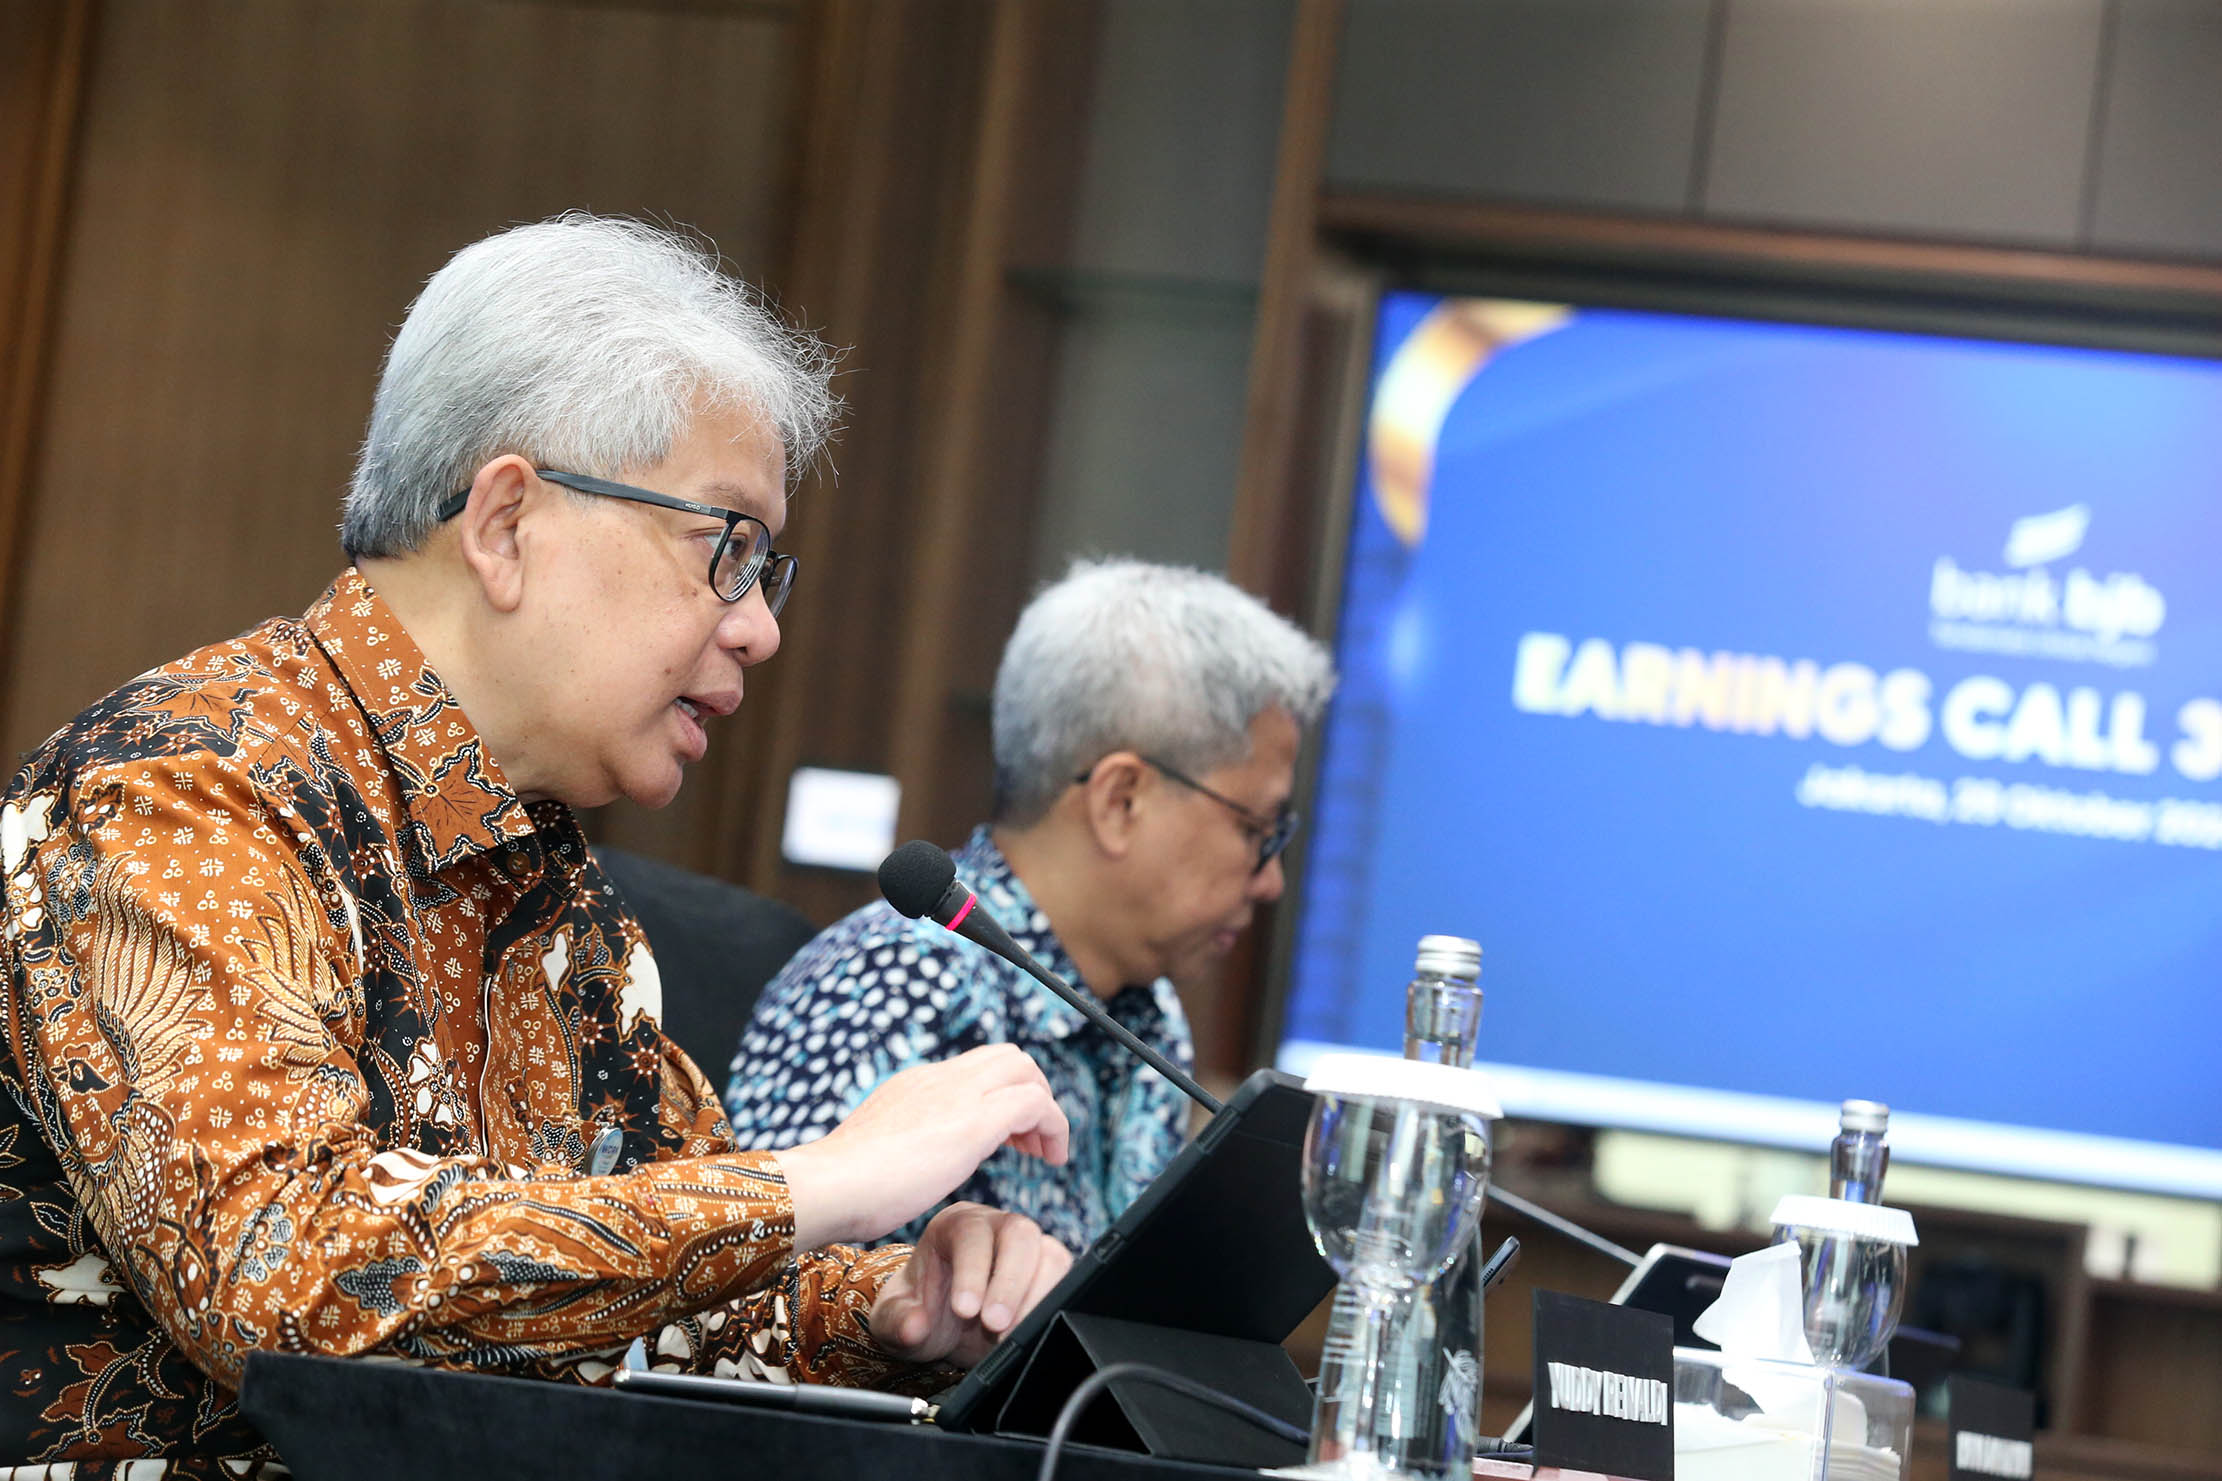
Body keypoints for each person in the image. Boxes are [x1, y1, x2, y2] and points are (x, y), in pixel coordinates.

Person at [0, 214, 1073, 1474]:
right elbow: (286, 1278)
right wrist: (815, 1183)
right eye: (726, 546)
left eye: (767, 570)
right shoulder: (185, 789)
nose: (758, 630)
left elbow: (659, 1295)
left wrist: (891, 1306)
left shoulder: (548, 879)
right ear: (507, 523)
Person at [725, 559, 1336, 1253]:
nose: (1270, 883)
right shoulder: (888, 986)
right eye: (1257, 831)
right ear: (1120, 801)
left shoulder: (1145, 1013)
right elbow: (752, 1305)